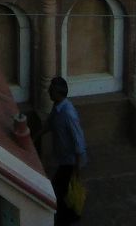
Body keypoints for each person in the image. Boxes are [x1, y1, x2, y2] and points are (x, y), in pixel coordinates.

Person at [43, 76, 86, 223]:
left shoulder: (68, 113)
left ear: (58, 93)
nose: (49, 91)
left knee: (60, 189)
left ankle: (65, 218)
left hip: (70, 161)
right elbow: (49, 124)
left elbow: (78, 141)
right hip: (64, 159)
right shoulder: (57, 107)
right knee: (63, 190)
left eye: (52, 90)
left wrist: (77, 168)